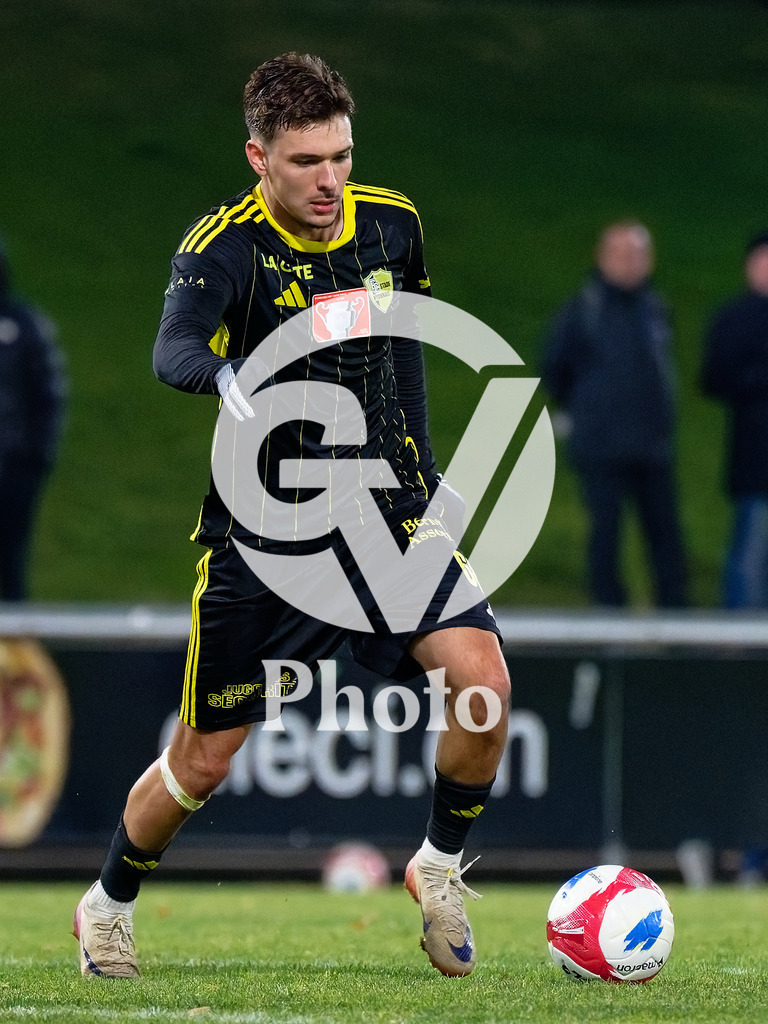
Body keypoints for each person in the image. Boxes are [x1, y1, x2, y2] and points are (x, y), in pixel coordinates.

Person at [73, 53, 510, 980]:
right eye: (307, 160)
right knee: (203, 763)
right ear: (258, 158)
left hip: (385, 516)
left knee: (484, 684)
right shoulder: (222, 247)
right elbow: (173, 347)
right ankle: (107, 902)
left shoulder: (393, 224)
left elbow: (409, 353)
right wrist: (226, 372)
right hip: (268, 540)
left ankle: (435, 867)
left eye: (342, 156)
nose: (330, 179)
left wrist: (424, 488)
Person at [540, 221, 687, 608]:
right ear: (603, 258)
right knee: (605, 536)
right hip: (600, 447)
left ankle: (677, 618)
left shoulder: (655, 308)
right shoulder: (582, 311)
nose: (631, 263)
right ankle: (609, 617)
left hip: (652, 446)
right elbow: (554, 369)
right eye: (622, 255)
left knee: (666, 537)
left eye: (638, 255)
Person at [701, 231, 768, 609]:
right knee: (751, 547)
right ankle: (741, 633)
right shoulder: (733, 319)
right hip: (755, 455)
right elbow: (714, 377)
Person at [0, 236, 66, 601]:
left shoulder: (23, 325)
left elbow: (49, 392)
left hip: (15, 465)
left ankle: (15, 646)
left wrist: (37, 456)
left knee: (11, 558)